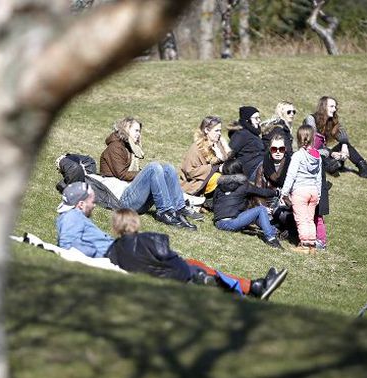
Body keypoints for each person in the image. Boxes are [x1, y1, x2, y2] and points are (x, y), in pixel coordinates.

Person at [106, 208, 288, 300]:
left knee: (195, 264)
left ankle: (251, 286)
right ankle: (255, 287)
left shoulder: (112, 250)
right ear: (136, 222)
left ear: (116, 227)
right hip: (175, 276)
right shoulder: (150, 238)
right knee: (199, 267)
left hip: (151, 276)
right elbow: (170, 257)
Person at [100, 116, 202, 230]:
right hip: (122, 201)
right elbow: (122, 174)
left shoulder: (130, 147)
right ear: (126, 129)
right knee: (153, 167)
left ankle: (178, 208)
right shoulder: (115, 147)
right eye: (136, 130)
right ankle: (164, 212)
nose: (138, 134)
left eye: (139, 131)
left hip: (134, 197)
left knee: (168, 168)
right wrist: (144, 173)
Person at [303, 96, 367, 178]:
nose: (334, 109)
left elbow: (341, 133)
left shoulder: (330, 121)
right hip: (312, 154)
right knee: (327, 160)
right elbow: (313, 146)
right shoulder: (311, 119)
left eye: (335, 107)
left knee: (345, 145)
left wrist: (344, 145)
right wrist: (331, 153)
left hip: (324, 153)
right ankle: (332, 165)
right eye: (331, 106)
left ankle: (364, 169)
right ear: (323, 107)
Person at [212, 160, 282, 249]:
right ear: (240, 170)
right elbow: (262, 192)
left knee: (254, 214)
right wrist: (276, 193)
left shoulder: (219, 186)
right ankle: (271, 238)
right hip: (230, 223)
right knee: (261, 209)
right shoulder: (244, 185)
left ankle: (273, 230)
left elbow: (214, 203)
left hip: (218, 223)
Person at [281, 125, 322, 254]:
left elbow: (291, 175)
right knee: (310, 219)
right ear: (312, 138)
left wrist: (284, 192)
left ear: (299, 139)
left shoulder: (298, 155)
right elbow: (319, 177)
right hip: (313, 191)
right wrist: (319, 193)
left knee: (301, 219)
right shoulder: (318, 156)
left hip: (300, 191)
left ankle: (304, 245)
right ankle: (311, 245)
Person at [55, 182, 114, 257]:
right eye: (93, 202)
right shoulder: (71, 216)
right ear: (81, 204)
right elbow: (68, 245)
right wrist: (97, 254)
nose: (94, 205)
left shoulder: (73, 216)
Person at [179, 115, 230, 197]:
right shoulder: (196, 148)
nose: (219, 133)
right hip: (196, 183)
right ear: (206, 130)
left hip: (216, 181)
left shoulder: (218, 145)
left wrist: (226, 148)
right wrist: (215, 167)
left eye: (220, 131)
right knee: (218, 178)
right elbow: (190, 171)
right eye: (216, 131)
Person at [227, 106, 264, 180]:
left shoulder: (253, 133)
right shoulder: (241, 134)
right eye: (256, 118)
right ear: (247, 120)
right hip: (252, 170)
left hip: (260, 165)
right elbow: (229, 153)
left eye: (259, 118)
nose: (259, 120)